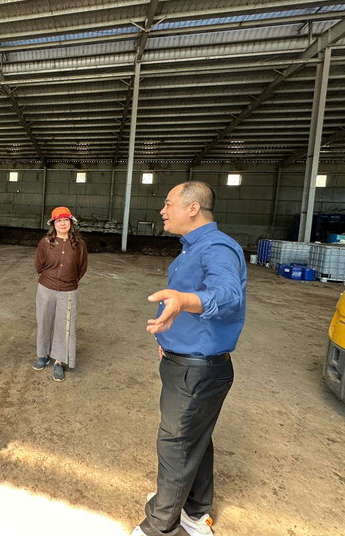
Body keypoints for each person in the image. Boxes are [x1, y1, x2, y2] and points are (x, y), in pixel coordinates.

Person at [130, 181, 246, 536]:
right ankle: (195, 512)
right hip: (187, 363)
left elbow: (227, 295)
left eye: (168, 204)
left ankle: (159, 526)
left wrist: (182, 301)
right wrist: (170, 336)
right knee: (195, 438)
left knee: (176, 444)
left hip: (197, 372)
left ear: (193, 208)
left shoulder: (217, 248)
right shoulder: (191, 249)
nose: (163, 211)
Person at [33, 206, 88, 382]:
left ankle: (59, 361)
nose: (63, 223)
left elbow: (82, 267)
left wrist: (68, 280)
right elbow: (38, 265)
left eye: (66, 220)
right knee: (44, 321)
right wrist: (52, 277)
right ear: (53, 224)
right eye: (59, 221)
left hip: (68, 290)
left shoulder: (79, 244)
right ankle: (43, 354)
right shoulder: (46, 242)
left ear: (71, 223)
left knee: (64, 326)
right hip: (46, 288)